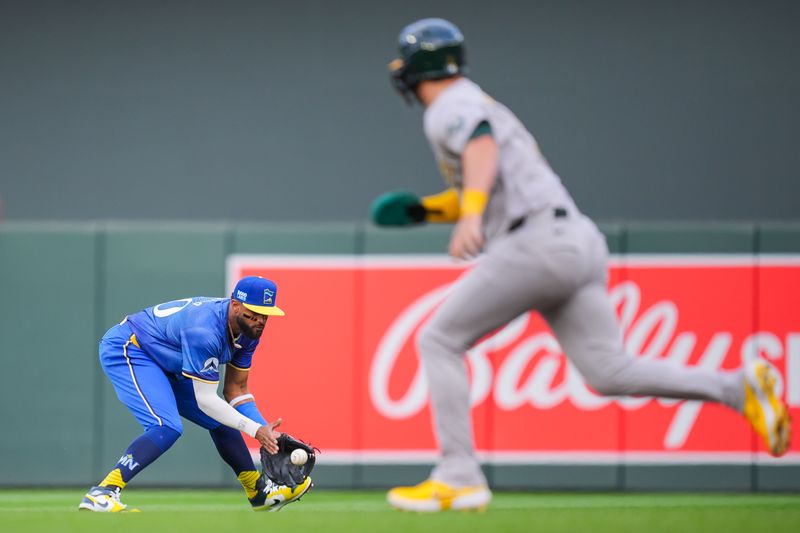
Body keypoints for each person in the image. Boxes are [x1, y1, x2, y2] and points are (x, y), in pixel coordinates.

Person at [374, 18, 791, 512]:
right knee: (610, 371)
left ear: (417, 67)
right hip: (574, 239)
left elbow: (480, 145)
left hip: (534, 243)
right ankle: (735, 387)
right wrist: (429, 211)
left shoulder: (448, 104)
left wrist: (467, 213)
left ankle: (459, 474)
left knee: (439, 339)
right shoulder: (476, 99)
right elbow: (489, 176)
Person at [78, 276, 312, 512]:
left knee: (223, 422)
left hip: (169, 361)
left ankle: (258, 492)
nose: (260, 320)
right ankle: (103, 492)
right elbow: (207, 401)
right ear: (235, 305)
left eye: (266, 314)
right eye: (255, 312)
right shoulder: (205, 330)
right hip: (132, 348)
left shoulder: (249, 331)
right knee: (166, 427)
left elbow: (236, 390)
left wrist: (267, 433)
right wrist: (255, 431)